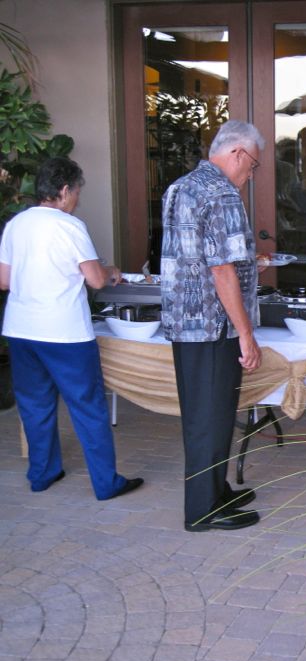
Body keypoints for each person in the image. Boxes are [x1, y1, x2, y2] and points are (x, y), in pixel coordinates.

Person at [0, 157, 144, 500]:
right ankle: (106, 483)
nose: (77, 198)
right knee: (87, 406)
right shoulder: (69, 226)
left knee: (35, 405)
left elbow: (4, 281)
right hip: (64, 333)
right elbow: (95, 280)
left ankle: (42, 474)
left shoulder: (15, 225)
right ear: (64, 190)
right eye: (77, 191)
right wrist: (110, 270)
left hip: (22, 330)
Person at [160, 120, 264, 532]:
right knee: (212, 417)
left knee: (204, 416)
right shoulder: (221, 193)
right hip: (213, 325)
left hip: (185, 323)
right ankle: (202, 510)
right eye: (253, 165)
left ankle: (214, 491)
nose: (251, 175)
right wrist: (246, 332)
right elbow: (222, 270)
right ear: (237, 153)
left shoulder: (179, 187)